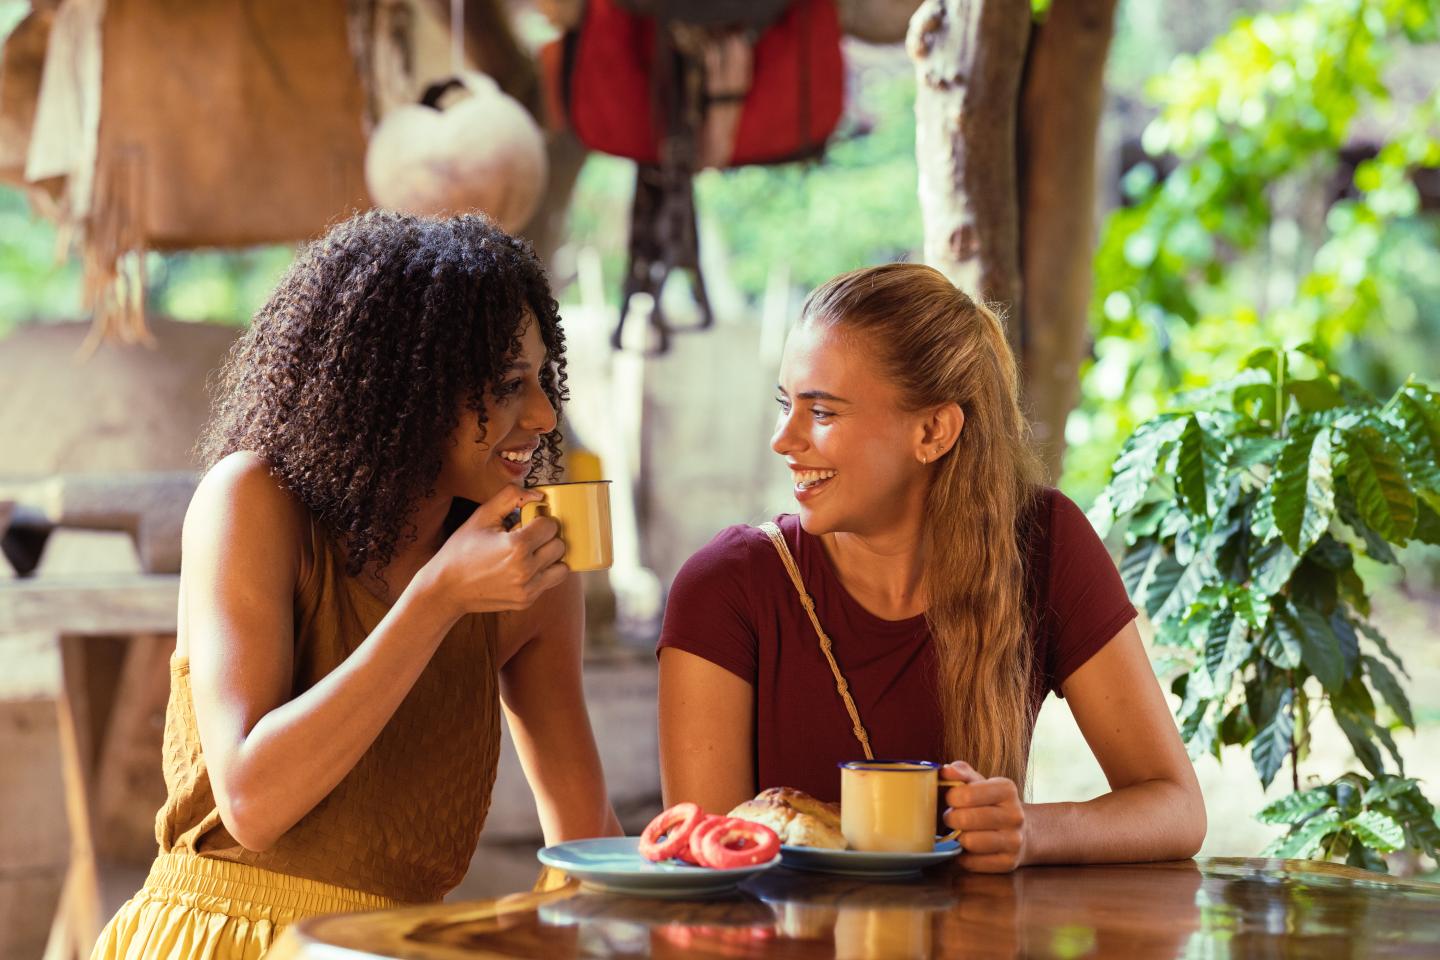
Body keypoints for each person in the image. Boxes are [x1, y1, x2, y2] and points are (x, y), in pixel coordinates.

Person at [94, 211, 620, 959]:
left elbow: (585, 842)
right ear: (403, 385)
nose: (541, 414)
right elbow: (252, 801)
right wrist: (437, 599)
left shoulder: (526, 573)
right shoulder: (252, 502)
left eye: (541, 379)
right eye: (507, 384)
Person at [657, 263, 1205, 873]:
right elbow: (705, 865)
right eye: (787, 404)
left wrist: (1030, 832)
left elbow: (1176, 807)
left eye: (822, 412)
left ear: (933, 430)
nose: (783, 440)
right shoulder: (726, 588)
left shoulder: (1042, 543)